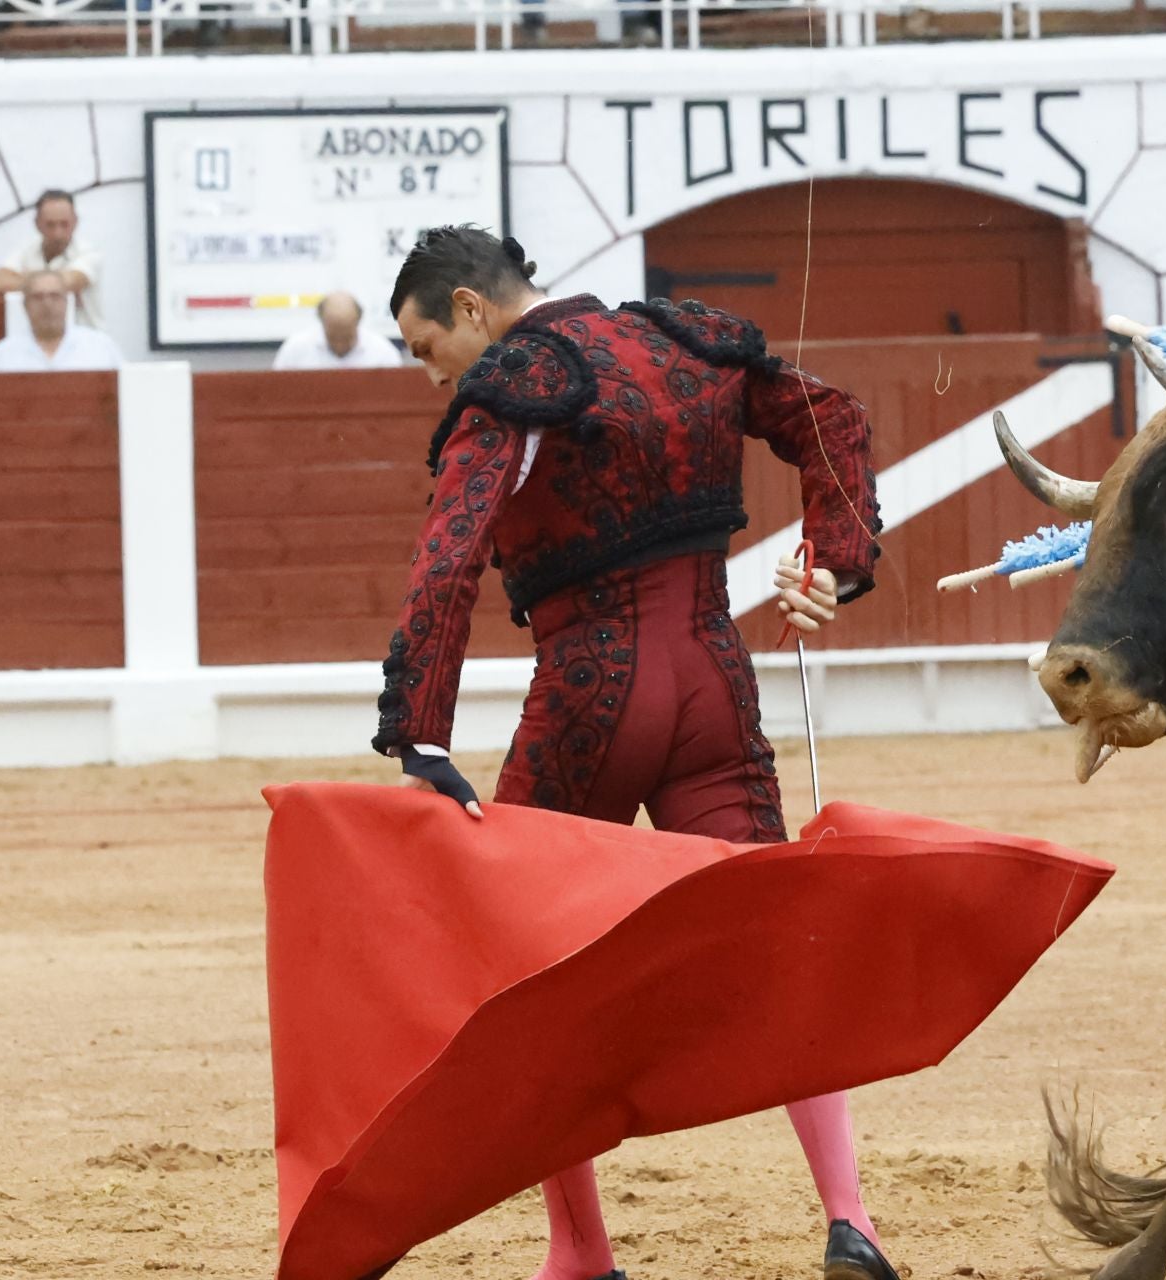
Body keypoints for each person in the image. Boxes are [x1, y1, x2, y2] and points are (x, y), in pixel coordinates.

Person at [372, 225, 894, 1280]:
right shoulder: (683, 342)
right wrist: (832, 560)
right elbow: (834, 417)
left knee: (530, 967)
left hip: (588, 696)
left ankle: (581, 1251)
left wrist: (421, 727)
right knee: (776, 941)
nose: (431, 371)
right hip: (714, 684)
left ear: (472, 308)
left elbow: (450, 556)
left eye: (427, 345)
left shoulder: (513, 385)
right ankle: (852, 1218)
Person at [0, 190, 105, 331]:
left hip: (87, 341)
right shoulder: (27, 250)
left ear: (75, 222)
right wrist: (56, 281)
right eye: (50, 225)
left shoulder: (89, 253)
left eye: (64, 224)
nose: (58, 233)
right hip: (40, 342)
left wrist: (20, 282)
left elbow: (72, 281)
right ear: (37, 224)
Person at [0, 270, 122, 372]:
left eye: (54, 296)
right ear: (25, 305)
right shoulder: (2, 355)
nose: (47, 304)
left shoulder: (101, 347)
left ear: (67, 302)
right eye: (38, 297)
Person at [272, 291, 405, 370]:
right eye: (333, 336)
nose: (339, 343)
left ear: (358, 322)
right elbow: (275, 395)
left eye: (347, 336)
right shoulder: (295, 350)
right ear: (322, 322)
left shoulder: (382, 353)